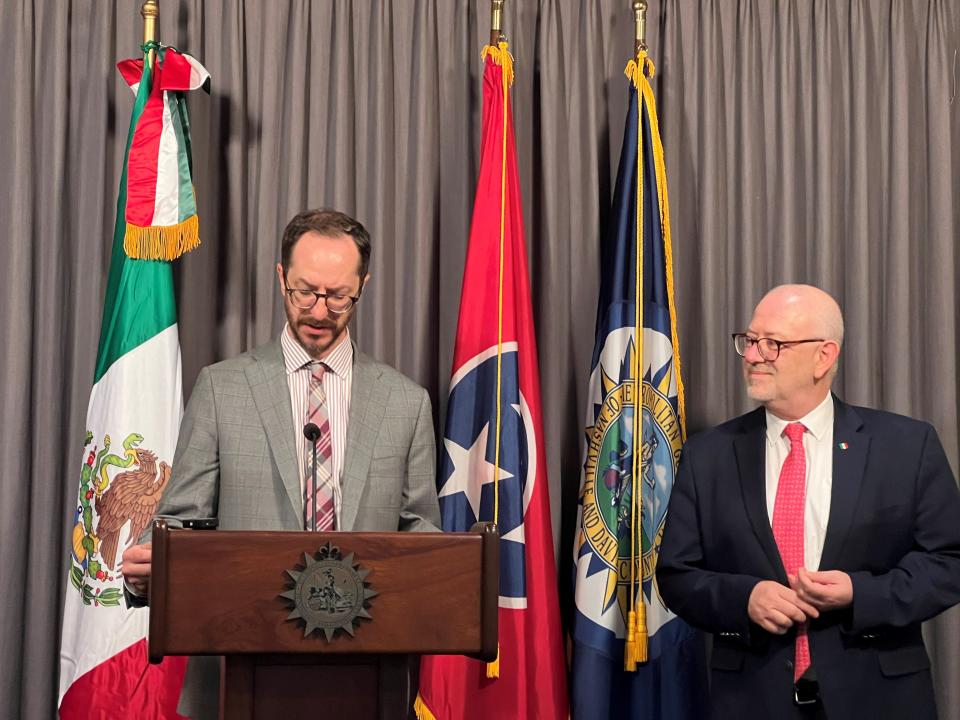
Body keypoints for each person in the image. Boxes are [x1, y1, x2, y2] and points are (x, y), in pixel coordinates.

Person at [121, 208, 441, 718]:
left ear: (363, 284)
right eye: (304, 291)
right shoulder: (223, 388)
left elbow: (422, 537)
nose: (319, 310)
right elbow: (180, 520)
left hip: (366, 674)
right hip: (239, 668)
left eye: (339, 296)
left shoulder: (407, 402)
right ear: (280, 278)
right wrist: (151, 568)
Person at [656, 284, 960, 719]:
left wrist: (860, 592)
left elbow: (949, 561)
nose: (754, 355)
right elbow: (676, 576)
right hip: (751, 701)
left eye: (773, 343)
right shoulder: (708, 456)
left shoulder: (907, 446)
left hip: (878, 700)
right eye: (750, 340)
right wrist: (744, 598)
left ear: (824, 356)